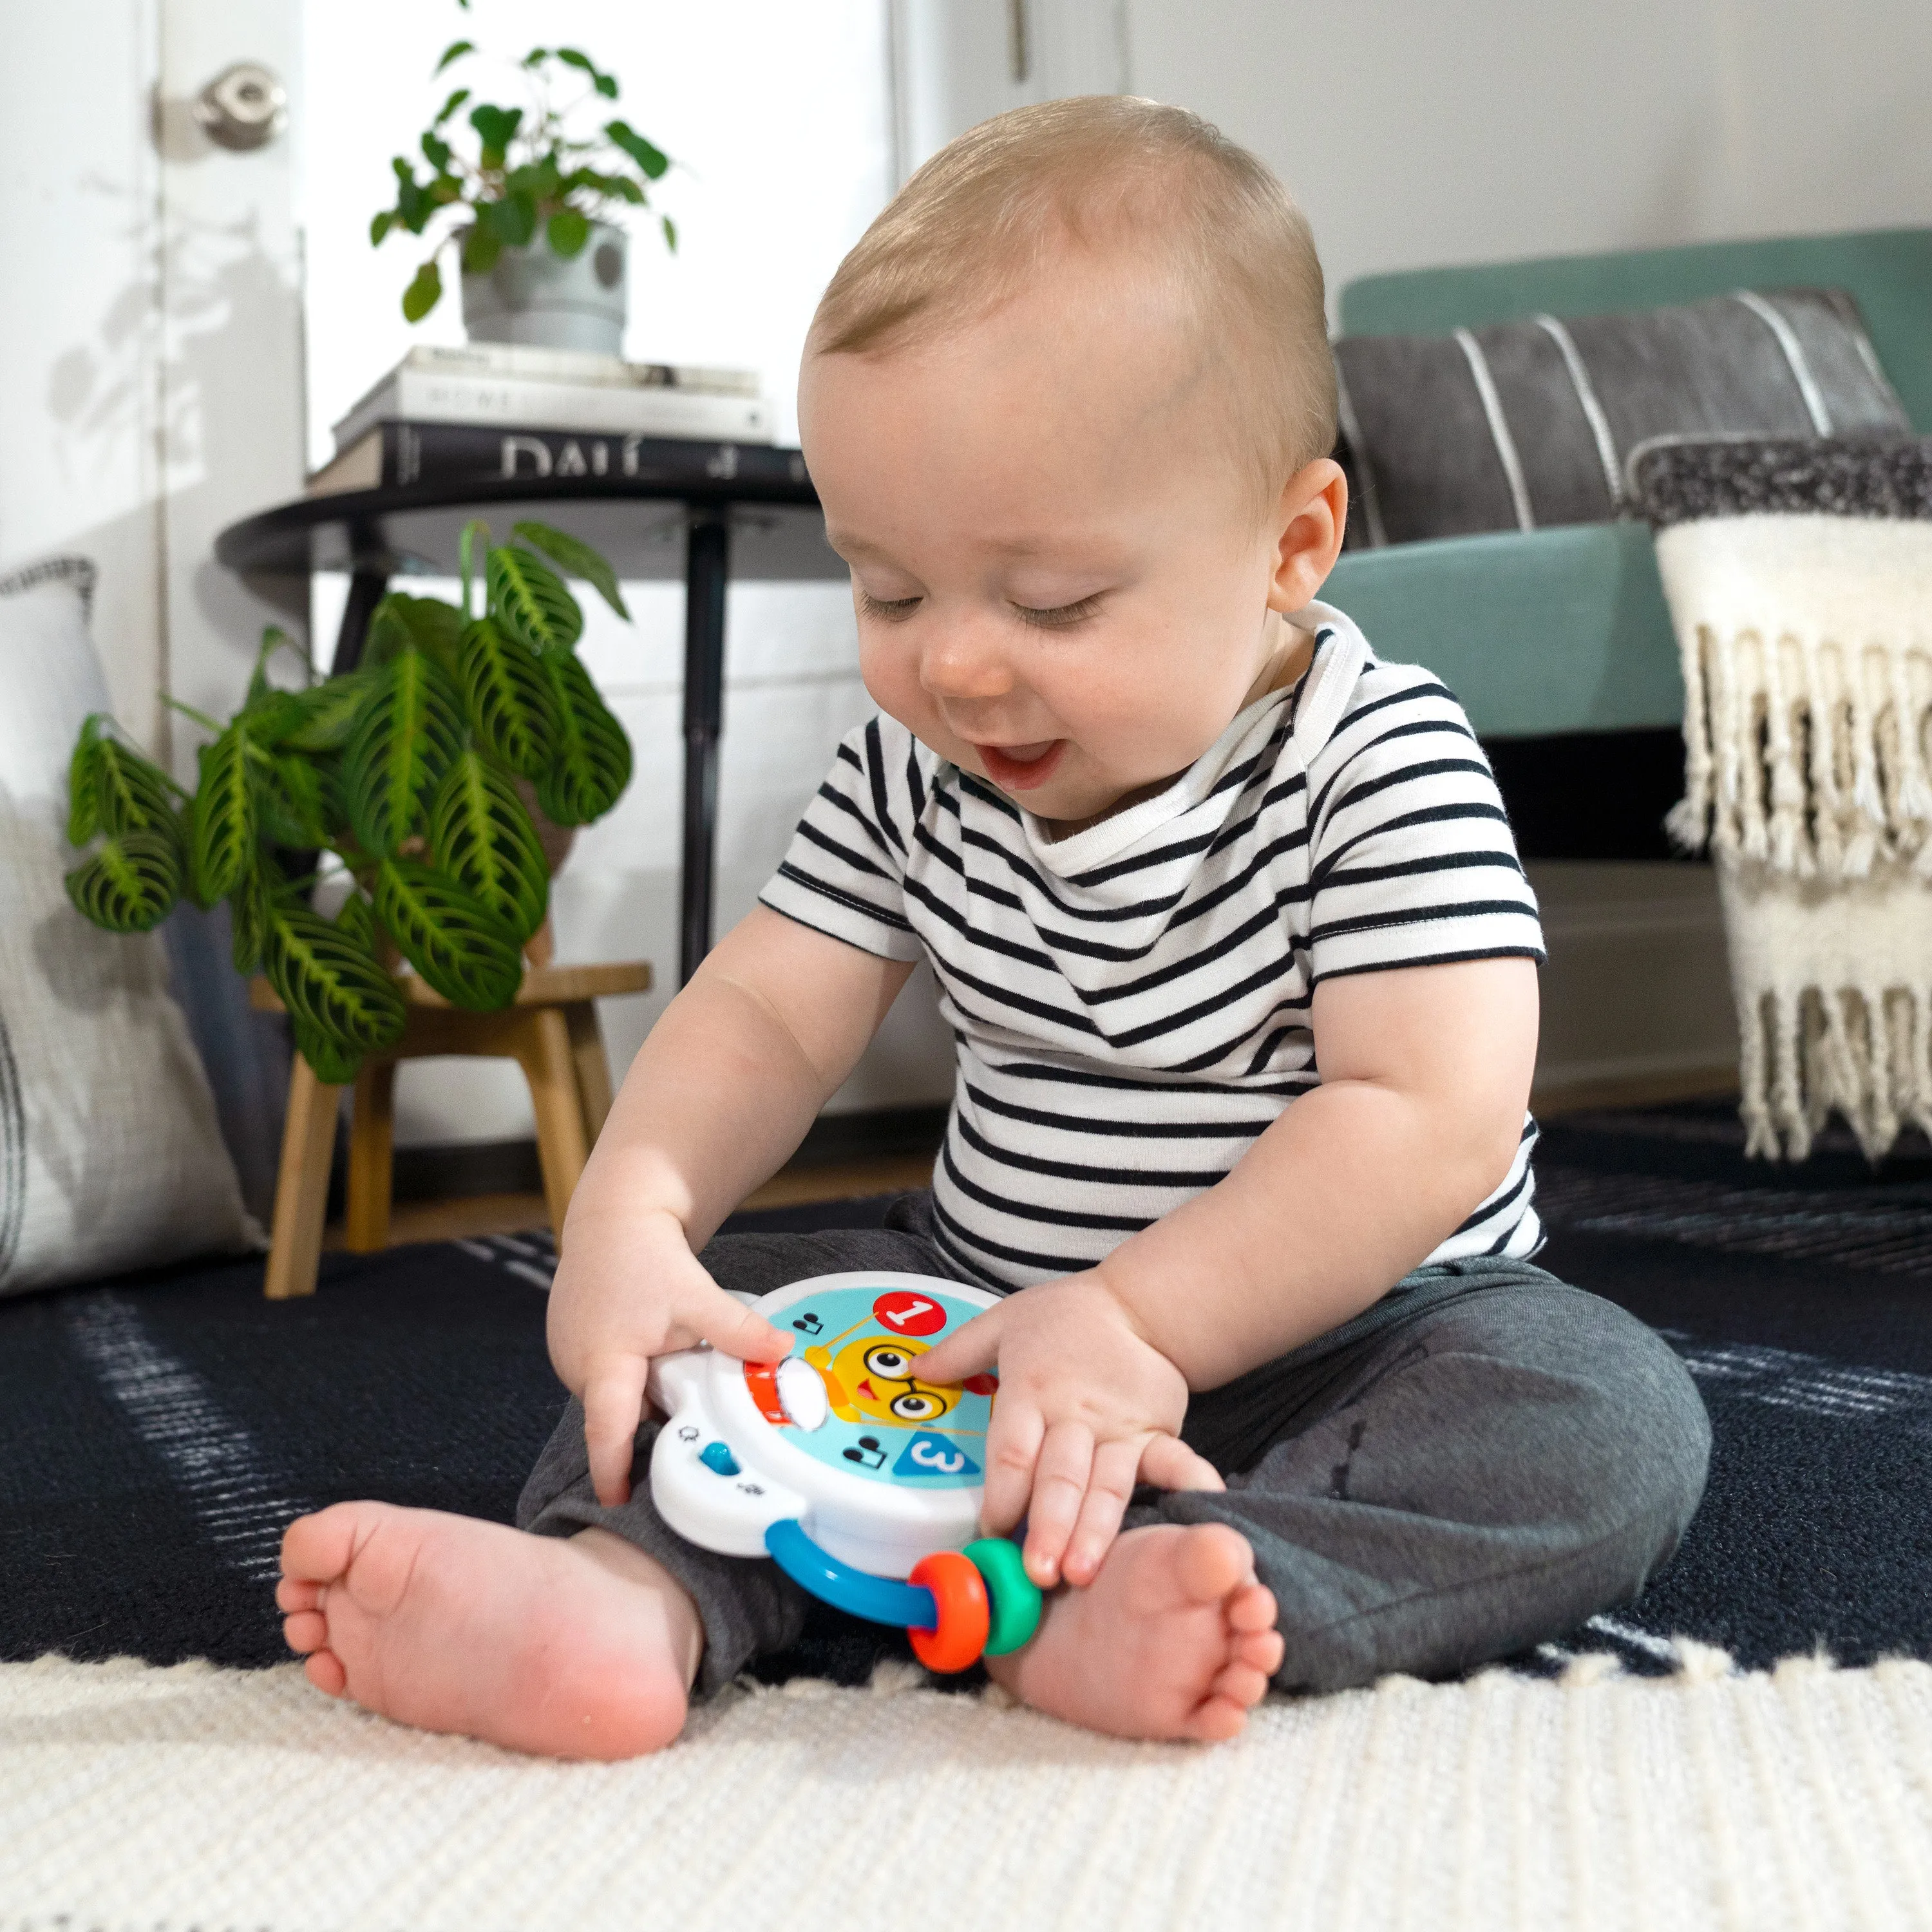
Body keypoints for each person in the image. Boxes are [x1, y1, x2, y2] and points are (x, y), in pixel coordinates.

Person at [276, 97, 1710, 1759]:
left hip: (1362, 1340)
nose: (955, 667)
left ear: (1289, 548)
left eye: (1051, 604)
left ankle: (1182, 1580)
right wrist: (634, 1212)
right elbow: (767, 1013)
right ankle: (629, 1601)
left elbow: (1422, 1116)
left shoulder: (1377, 760)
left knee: (1603, 1416)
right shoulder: (911, 764)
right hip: (972, 1321)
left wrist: (1143, 1326)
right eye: (888, 591)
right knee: (717, 1320)